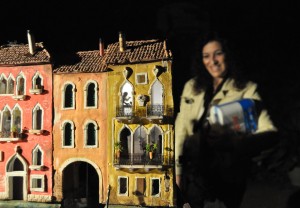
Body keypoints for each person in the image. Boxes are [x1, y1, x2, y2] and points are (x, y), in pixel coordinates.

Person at [175, 31, 279, 208]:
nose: (213, 61)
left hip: (227, 177)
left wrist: (234, 141)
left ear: (228, 55)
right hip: (194, 174)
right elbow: (181, 128)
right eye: (206, 56)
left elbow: (269, 132)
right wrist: (177, 173)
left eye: (218, 53)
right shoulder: (192, 87)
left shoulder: (247, 89)